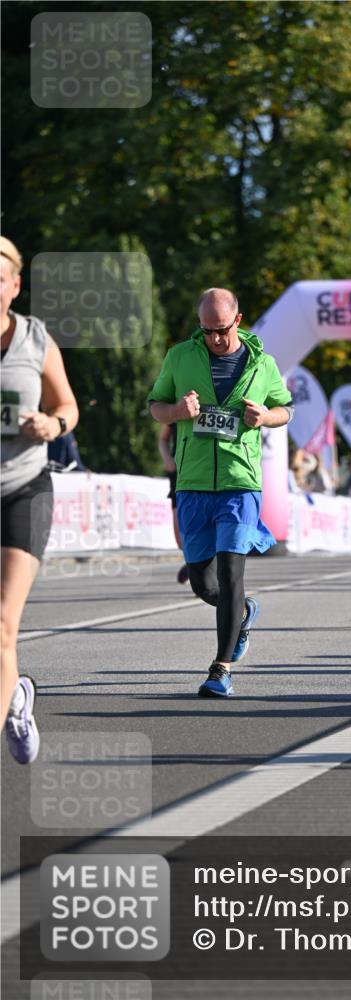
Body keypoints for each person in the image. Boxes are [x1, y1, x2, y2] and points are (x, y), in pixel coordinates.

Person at [149, 288, 293, 697]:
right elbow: (156, 404)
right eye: (207, 331)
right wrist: (177, 412)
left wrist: (266, 416)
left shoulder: (263, 364)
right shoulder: (180, 357)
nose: (214, 339)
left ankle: (221, 668)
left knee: (231, 574)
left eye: (222, 330)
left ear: (239, 320)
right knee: (203, 584)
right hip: (193, 481)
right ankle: (244, 613)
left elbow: (287, 409)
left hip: (239, 482)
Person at [1, 236, 79, 762]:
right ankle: (14, 701)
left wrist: (52, 423)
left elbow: (69, 406)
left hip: (23, 489)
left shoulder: (35, 339)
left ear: (14, 285)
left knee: (2, 623)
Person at [158, 422, 189, 583]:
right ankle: (194, 563)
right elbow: (163, 440)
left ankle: (203, 567)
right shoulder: (176, 408)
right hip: (177, 475)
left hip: (199, 473)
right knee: (179, 534)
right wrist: (167, 459)